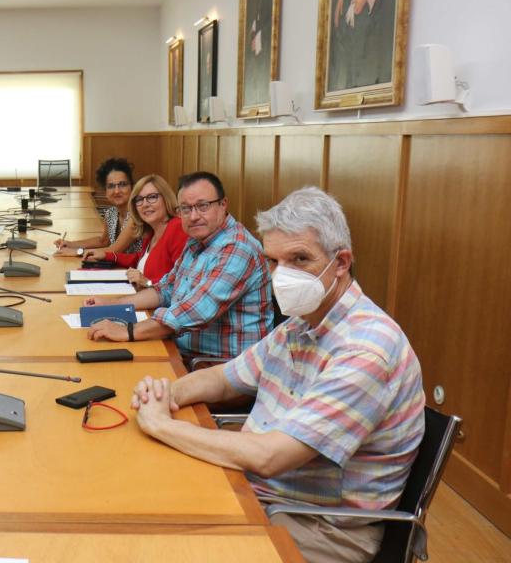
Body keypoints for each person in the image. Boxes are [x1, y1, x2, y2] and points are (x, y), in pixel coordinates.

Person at [130, 186, 425, 563]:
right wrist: (167, 394)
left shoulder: (367, 349)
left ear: (341, 262)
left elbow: (271, 457)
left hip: (318, 527)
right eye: (273, 261)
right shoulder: (301, 324)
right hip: (267, 494)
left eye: (299, 259)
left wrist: (162, 425)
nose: (282, 275)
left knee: (160, 546)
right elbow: (225, 378)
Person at [86, 171, 272, 363]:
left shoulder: (237, 248)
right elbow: (165, 289)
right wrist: (113, 305)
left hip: (218, 365)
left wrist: (126, 331)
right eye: (185, 208)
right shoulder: (197, 240)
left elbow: (197, 310)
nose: (193, 216)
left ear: (223, 204)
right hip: (181, 350)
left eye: (202, 206)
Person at [83, 174, 187, 290]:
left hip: (159, 305)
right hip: (143, 297)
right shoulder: (151, 231)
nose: (145, 204)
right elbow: (139, 259)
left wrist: (148, 282)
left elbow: (181, 281)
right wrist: (107, 256)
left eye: (152, 197)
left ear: (166, 198)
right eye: (139, 199)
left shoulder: (177, 228)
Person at [55, 157, 143, 257]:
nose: (117, 191)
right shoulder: (111, 213)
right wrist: (70, 244)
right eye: (111, 186)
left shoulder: (136, 215)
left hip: (136, 270)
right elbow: (103, 241)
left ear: (132, 187)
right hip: (120, 267)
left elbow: (114, 250)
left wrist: (77, 252)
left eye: (122, 185)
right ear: (105, 191)